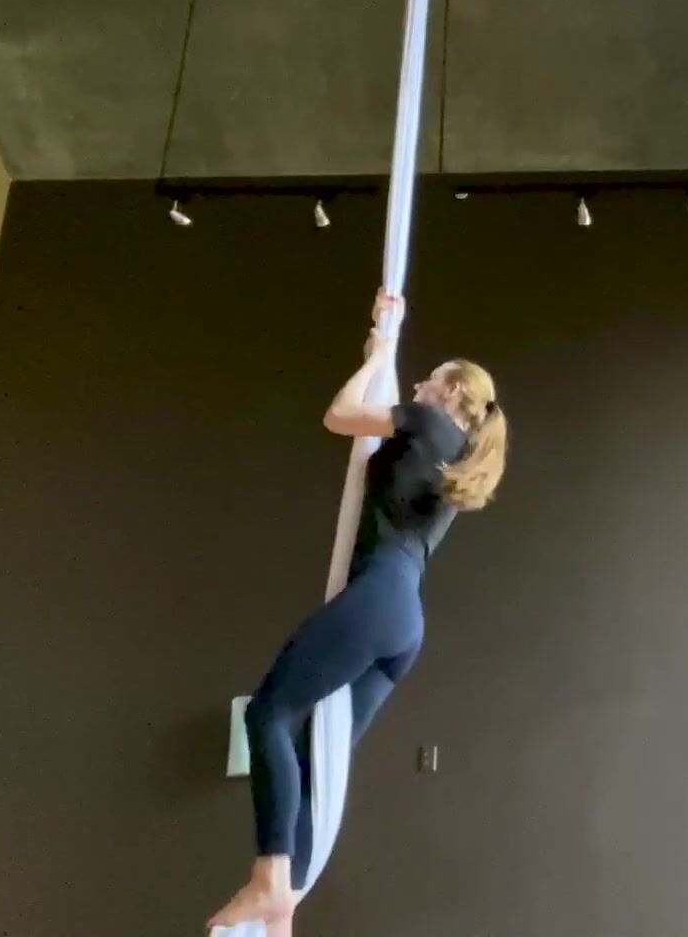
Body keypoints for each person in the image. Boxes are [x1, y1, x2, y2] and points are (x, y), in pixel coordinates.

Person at [208, 290, 509, 935]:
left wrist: (379, 353)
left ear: (452, 391)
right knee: (316, 760)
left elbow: (340, 416)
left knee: (269, 714)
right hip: (405, 624)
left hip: (379, 597)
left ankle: (270, 879)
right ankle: (284, 906)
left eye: (429, 379)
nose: (418, 385)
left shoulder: (427, 422)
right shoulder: (458, 457)